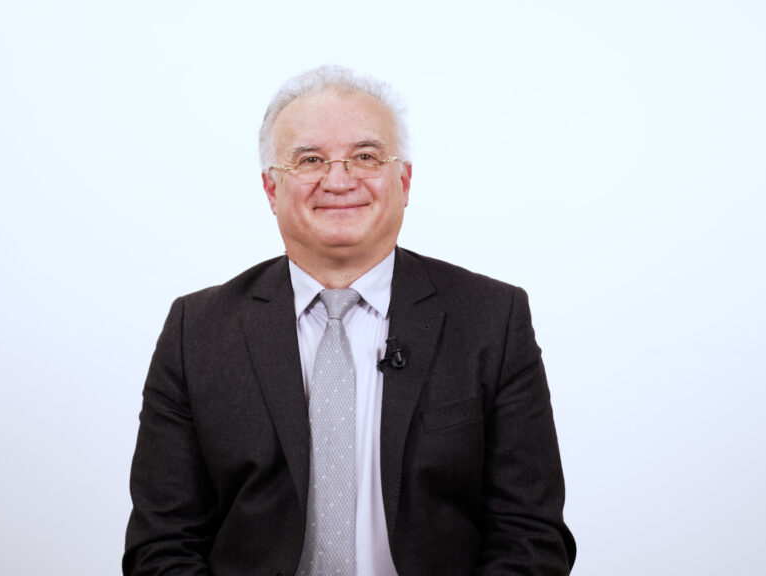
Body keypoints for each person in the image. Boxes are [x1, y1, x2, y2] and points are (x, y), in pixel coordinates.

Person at [123, 65, 576, 576]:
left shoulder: (491, 319)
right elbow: (162, 545)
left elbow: (531, 537)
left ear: (403, 181)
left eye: (365, 156)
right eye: (310, 160)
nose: (338, 181)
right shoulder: (198, 332)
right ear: (271, 189)